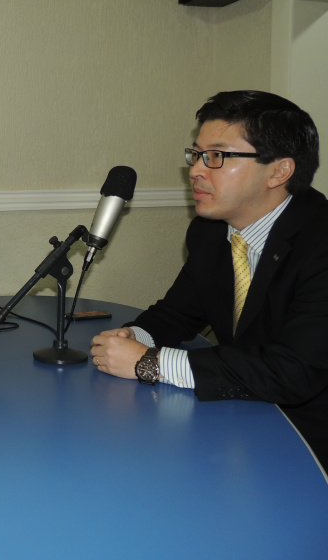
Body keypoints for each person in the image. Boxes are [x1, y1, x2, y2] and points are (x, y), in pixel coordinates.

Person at [89, 90, 328, 469]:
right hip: (241, 419)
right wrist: (135, 337)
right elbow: (176, 315)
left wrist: (151, 363)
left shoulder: (320, 241)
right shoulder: (208, 232)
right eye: (196, 154)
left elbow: (294, 371)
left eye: (217, 156)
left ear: (280, 171)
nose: (196, 169)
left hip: (308, 443)